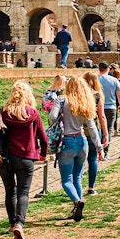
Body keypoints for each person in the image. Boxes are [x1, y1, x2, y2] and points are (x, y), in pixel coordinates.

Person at [0, 81, 48, 239]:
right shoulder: (33, 113)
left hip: (6, 158)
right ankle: (20, 223)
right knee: (23, 192)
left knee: (9, 191)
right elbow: (44, 138)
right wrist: (43, 154)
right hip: (27, 156)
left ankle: (13, 223)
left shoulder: (4, 113)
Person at [49, 76, 104, 221]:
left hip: (67, 140)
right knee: (77, 178)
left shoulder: (61, 100)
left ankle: (77, 202)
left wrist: (61, 121)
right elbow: (92, 128)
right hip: (82, 141)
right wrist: (99, 148)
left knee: (66, 180)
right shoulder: (85, 102)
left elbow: (52, 116)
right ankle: (77, 209)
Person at [82, 71, 109, 196]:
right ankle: (91, 187)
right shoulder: (97, 95)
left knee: (80, 161)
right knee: (92, 159)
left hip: (78, 130)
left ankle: (76, 185)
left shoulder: (78, 95)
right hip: (93, 129)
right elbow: (101, 116)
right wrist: (105, 133)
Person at [97, 62, 120, 157]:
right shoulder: (114, 80)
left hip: (97, 107)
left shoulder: (95, 79)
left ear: (99, 69)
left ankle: (97, 149)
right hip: (111, 107)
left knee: (97, 128)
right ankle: (105, 152)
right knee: (108, 130)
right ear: (108, 69)